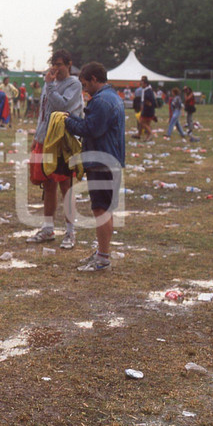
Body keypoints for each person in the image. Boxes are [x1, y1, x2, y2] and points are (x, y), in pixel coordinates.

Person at [63, 62, 125, 272]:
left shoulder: (101, 102)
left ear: (95, 79)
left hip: (102, 162)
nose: (84, 88)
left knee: (101, 210)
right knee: (105, 209)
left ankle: (103, 258)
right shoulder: (112, 97)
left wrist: (68, 121)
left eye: (85, 83)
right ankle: (102, 252)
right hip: (109, 160)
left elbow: (90, 129)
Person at [26, 50, 84, 249]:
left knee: (66, 186)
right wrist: (37, 138)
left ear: (69, 65)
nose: (56, 68)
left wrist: (50, 85)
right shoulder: (48, 83)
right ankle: (48, 228)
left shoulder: (74, 84)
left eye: (59, 64)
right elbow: (44, 113)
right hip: (45, 140)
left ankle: (70, 232)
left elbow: (63, 106)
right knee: (47, 184)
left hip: (62, 141)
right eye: (53, 63)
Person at [137, 76, 157, 142]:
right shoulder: (149, 90)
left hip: (147, 110)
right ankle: (147, 137)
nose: (141, 85)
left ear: (145, 83)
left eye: (142, 83)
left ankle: (151, 134)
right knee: (147, 124)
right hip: (151, 110)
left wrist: (144, 107)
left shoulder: (147, 91)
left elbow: (149, 101)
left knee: (141, 122)